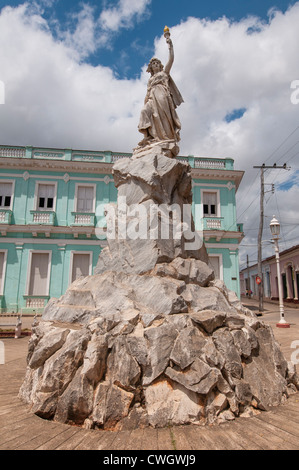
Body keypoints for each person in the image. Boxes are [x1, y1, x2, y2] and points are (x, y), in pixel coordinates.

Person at [137, 33, 184, 148]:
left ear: (160, 65)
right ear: (151, 67)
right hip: (152, 97)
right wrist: (146, 101)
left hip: (162, 95)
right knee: (144, 111)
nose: (155, 65)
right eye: (153, 64)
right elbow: (147, 92)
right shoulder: (150, 80)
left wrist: (170, 46)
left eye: (157, 63)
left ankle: (165, 138)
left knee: (162, 117)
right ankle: (149, 137)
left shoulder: (164, 73)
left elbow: (171, 60)